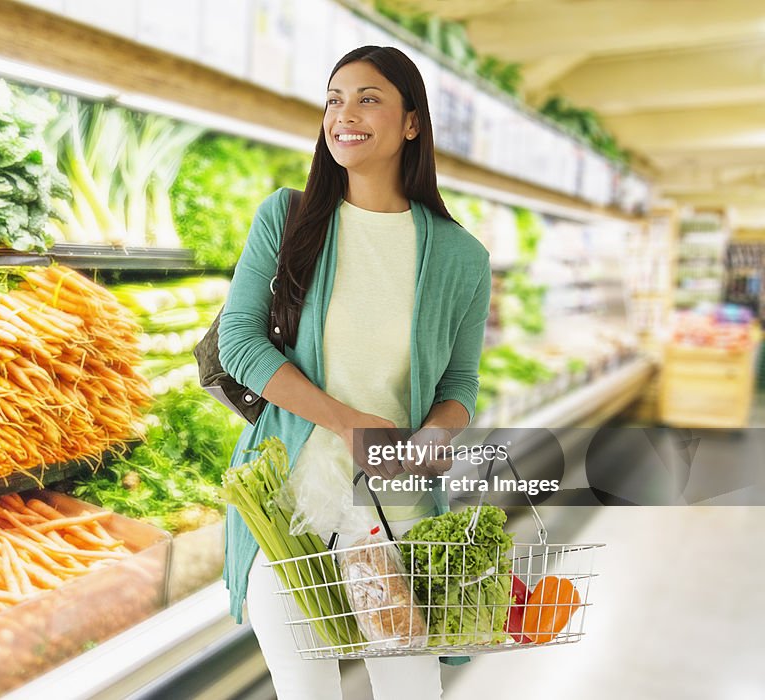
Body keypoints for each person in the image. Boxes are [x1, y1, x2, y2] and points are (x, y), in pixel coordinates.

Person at [217, 45, 491, 700]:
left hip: (395, 517)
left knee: (409, 692)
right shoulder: (286, 218)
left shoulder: (460, 257)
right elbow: (239, 341)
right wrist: (347, 423)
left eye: (369, 98)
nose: (346, 115)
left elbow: (460, 386)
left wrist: (433, 438)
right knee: (306, 690)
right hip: (289, 509)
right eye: (335, 99)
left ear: (411, 124)